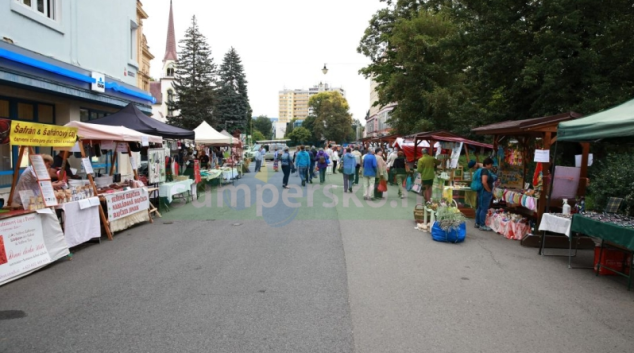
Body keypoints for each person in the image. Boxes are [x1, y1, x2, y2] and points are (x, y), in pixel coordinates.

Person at [477, 158, 495, 231]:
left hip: (481, 191)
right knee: (484, 208)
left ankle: (477, 223)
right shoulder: (485, 171)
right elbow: (484, 182)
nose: (491, 166)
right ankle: (482, 225)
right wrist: (489, 190)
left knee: (480, 207)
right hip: (485, 192)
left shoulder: (481, 170)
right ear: (487, 164)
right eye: (490, 164)